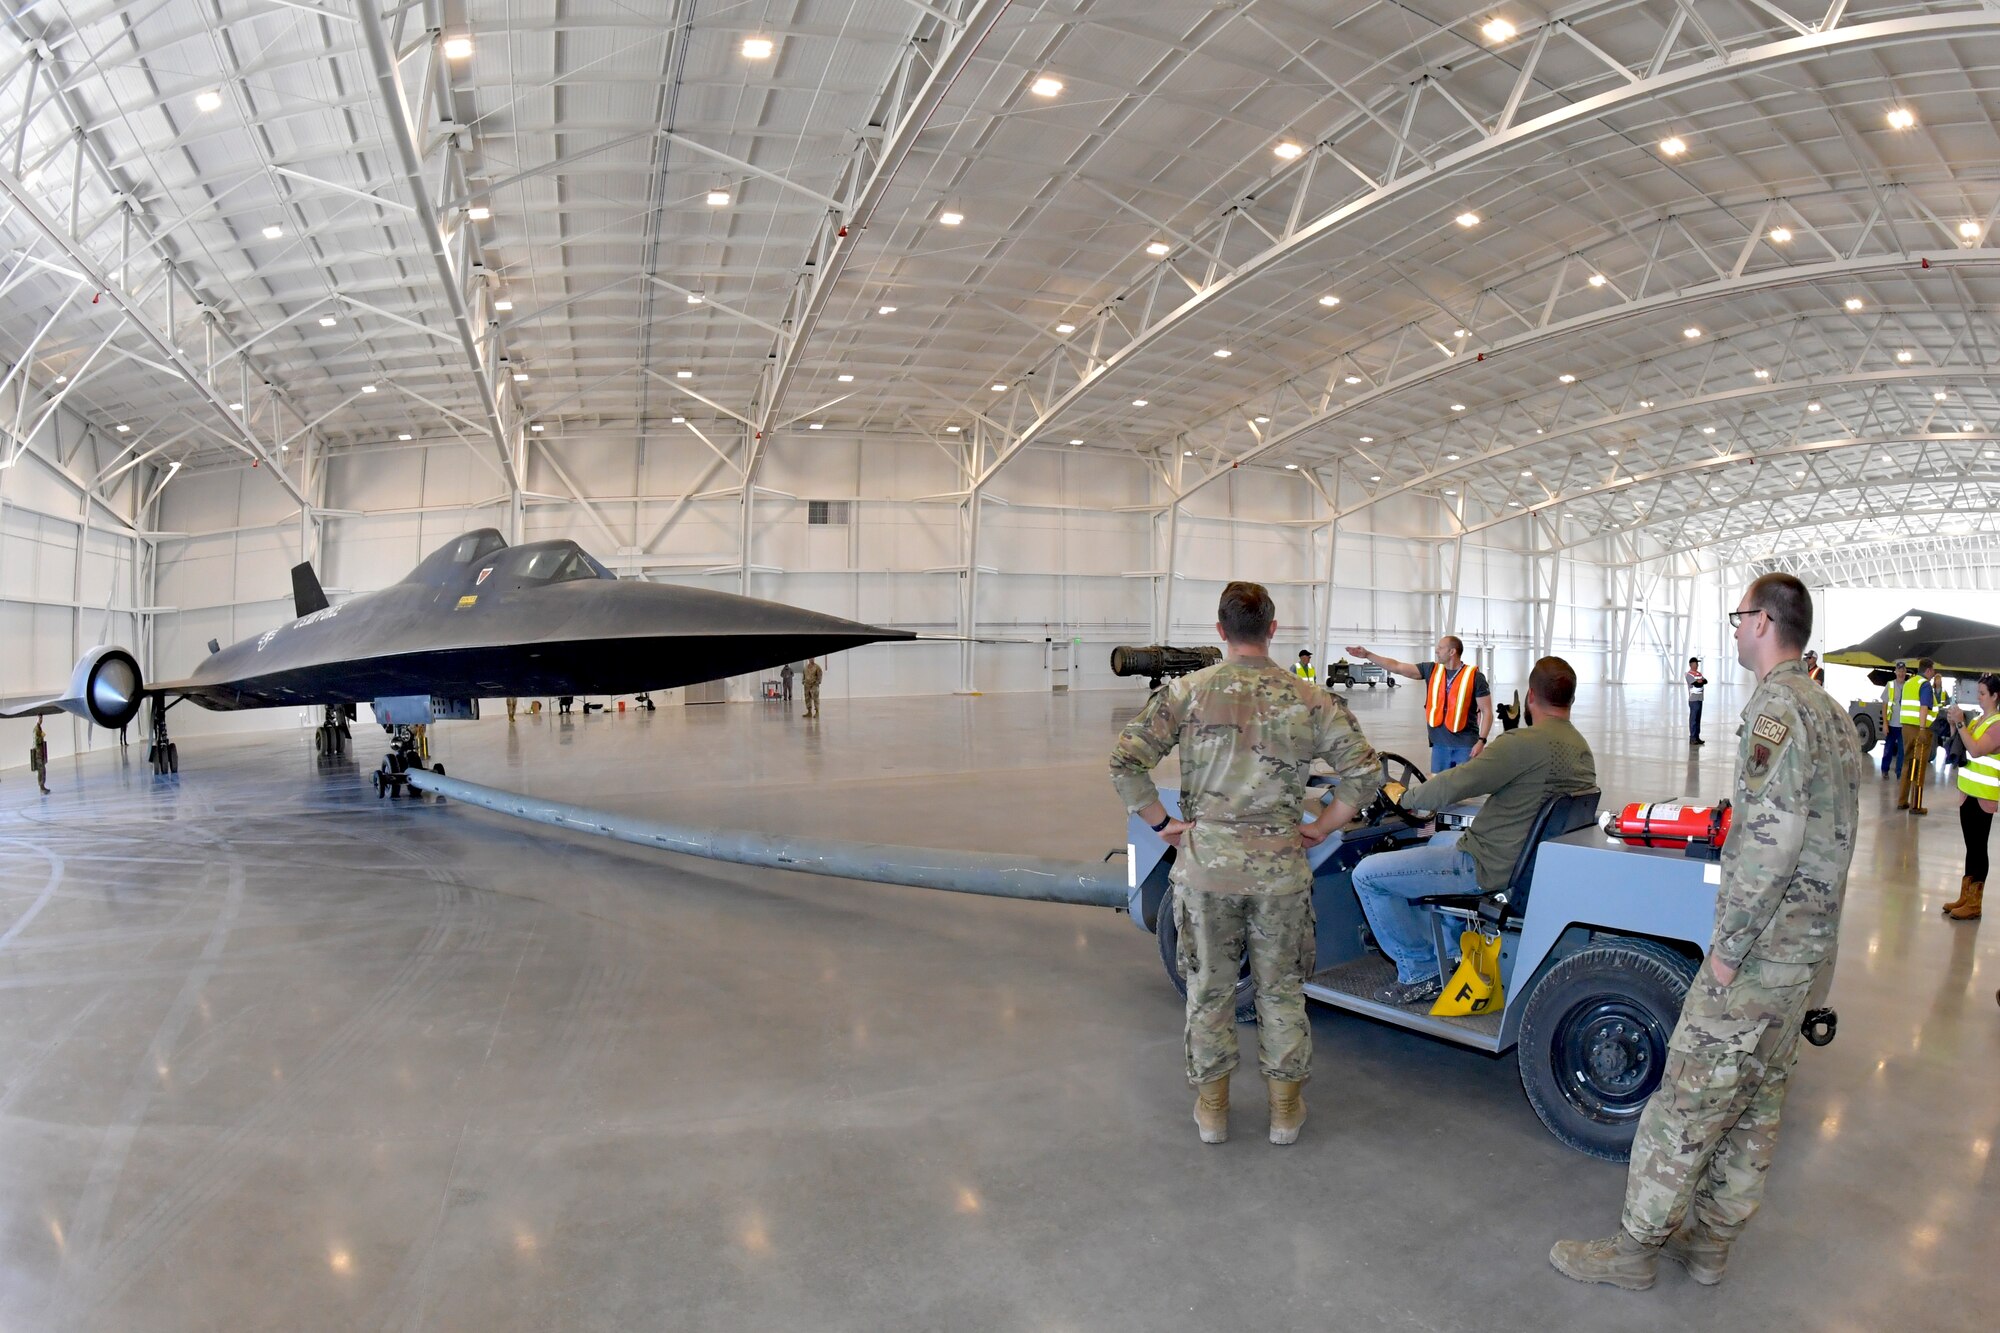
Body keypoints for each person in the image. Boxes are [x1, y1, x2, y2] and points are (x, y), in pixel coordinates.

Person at [1551, 572, 1862, 1291]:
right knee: (1756, 1100)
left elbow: (1771, 843)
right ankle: (1711, 1245)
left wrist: (1724, 954)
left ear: (1762, 622)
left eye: (1738, 615)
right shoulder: (1831, 710)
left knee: (1686, 1099)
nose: (1732, 628)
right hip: (1806, 958)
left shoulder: (1777, 708)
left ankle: (1634, 1251)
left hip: (1758, 959)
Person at [1110, 581, 1384, 1146]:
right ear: (1273, 630)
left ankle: (1213, 1112)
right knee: (1280, 990)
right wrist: (1321, 826)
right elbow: (1365, 773)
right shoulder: (1309, 699)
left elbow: (1125, 760)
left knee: (1209, 989)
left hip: (1206, 871)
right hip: (1280, 872)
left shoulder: (1187, 692)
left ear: (1220, 631)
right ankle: (1285, 1114)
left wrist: (1162, 823)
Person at [1348, 656, 1596, 1005]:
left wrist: (1406, 796)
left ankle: (1420, 969)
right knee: (1439, 837)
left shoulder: (1523, 743)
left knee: (1367, 874)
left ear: (1530, 698)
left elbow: (1456, 783)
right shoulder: (1580, 748)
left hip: (1486, 865)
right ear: (1570, 698)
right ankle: (1450, 950)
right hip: (1527, 861)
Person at [1345, 635, 1493, 772]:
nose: (1436, 651)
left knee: (1462, 791)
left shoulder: (1475, 677)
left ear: (1452, 651)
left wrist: (1481, 741)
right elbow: (1397, 666)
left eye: (1440, 648)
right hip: (1439, 747)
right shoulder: (1430, 670)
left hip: (1466, 746)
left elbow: (1487, 712)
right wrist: (1368, 655)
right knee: (1439, 789)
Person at [1942, 674, 2000, 922]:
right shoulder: (1978, 720)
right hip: (1968, 792)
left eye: (1983, 694)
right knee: (1970, 848)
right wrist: (1955, 724)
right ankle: (1965, 896)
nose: (1979, 698)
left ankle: (1974, 903)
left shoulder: (1997, 724)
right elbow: (1964, 743)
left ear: (1995, 696)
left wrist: (1962, 724)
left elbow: (1976, 750)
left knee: (1978, 848)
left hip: (1983, 795)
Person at [1899, 659, 1941, 814]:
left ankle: (1902, 801)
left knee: (1908, 764)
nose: (1934, 673)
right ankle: (1916, 805)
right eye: (1933, 670)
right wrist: (1923, 729)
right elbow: (1924, 707)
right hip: (1919, 729)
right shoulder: (1925, 685)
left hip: (1906, 728)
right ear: (1928, 670)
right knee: (1919, 766)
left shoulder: (1909, 683)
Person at [1880, 661, 1911, 779]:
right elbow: (1884, 705)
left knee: (1902, 752)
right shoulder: (1890, 685)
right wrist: (1885, 724)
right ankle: (1884, 770)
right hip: (1892, 724)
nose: (1901, 673)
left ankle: (1899, 773)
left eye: (1903, 671)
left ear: (1905, 672)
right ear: (1896, 672)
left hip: (1903, 725)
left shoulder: (1908, 686)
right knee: (1888, 749)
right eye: (1899, 671)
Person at [1686, 656, 1708, 746]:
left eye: (1697, 663)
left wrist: (1700, 681)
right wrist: (1699, 681)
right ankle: (1692, 738)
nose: (1697, 665)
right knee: (1693, 719)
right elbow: (1696, 684)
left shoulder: (1699, 673)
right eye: (1695, 663)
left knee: (1698, 719)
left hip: (1700, 699)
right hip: (1693, 700)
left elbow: (1705, 681)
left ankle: (1697, 737)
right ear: (1691, 664)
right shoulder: (1689, 674)